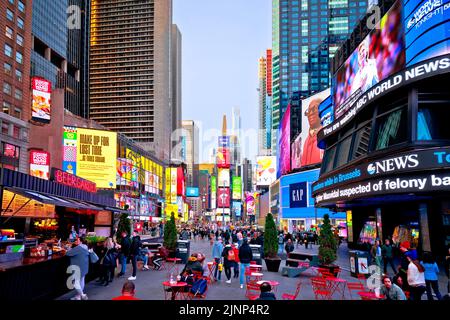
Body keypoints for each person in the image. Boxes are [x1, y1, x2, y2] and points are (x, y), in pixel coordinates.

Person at [301, 98, 324, 167]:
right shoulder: (306, 141)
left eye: (314, 109)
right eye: (308, 111)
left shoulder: (326, 133)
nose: (310, 114)